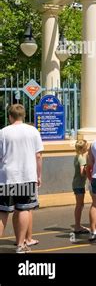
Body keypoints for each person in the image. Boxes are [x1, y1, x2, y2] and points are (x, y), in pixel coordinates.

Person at [0, 104, 43, 253]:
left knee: (3, 212)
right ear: (23, 116)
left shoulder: (3, 132)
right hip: (27, 176)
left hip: (7, 177)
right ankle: (20, 245)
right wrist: (39, 175)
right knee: (24, 210)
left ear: (10, 116)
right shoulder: (33, 131)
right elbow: (38, 156)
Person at [72, 140, 90, 234]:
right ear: (84, 148)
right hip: (79, 184)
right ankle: (77, 226)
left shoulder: (77, 156)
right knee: (80, 205)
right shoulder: (82, 158)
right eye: (86, 146)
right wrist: (88, 169)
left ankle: (77, 225)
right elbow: (82, 172)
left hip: (77, 184)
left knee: (79, 205)